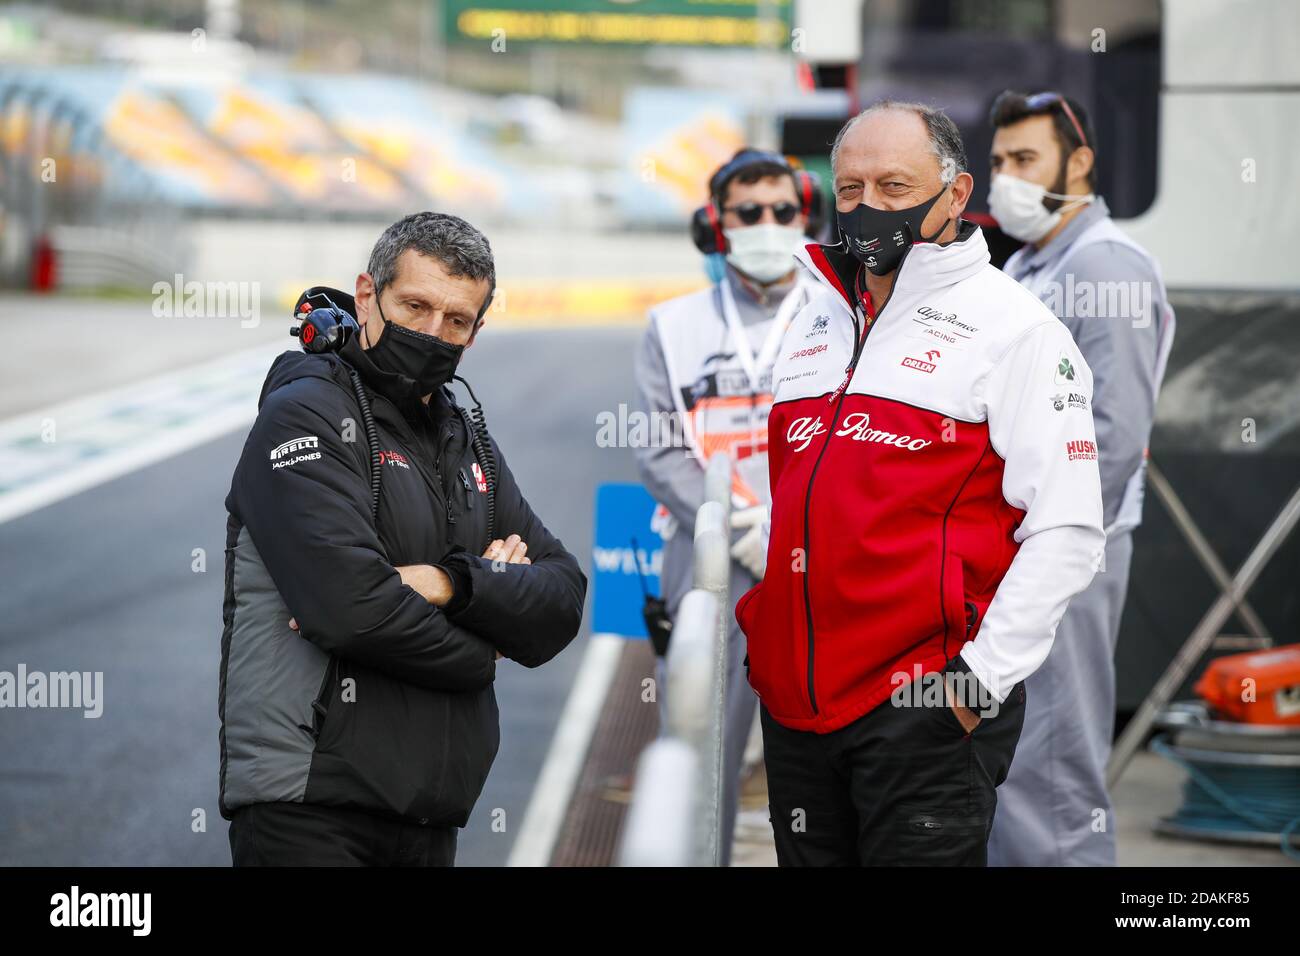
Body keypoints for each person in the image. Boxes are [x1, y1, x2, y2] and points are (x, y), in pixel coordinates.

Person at [735, 100, 1106, 866]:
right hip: (797, 712)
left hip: (924, 711)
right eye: (849, 189)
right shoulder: (813, 323)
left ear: (956, 194)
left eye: (895, 187)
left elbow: (1068, 533)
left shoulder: (1019, 331)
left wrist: (973, 690)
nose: (868, 207)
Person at [219, 211, 587, 866]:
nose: (432, 333)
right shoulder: (306, 412)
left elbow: (562, 594)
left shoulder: (462, 434)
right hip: (309, 805)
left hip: (429, 811)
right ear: (368, 295)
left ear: (476, 331)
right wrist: (486, 646)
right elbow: (351, 610)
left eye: (456, 321)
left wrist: (451, 582)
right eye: (415, 306)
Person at [985, 90, 1176, 866]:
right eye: (998, 163)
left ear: (1081, 162)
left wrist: (1040, 550)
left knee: (1054, 766)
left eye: (1025, 160)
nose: (1007, 180)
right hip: (1022, 549)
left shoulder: (1105, 265)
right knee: (1020, 759)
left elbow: (1113, 434)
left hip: (1064, 553)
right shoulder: (1034, 261)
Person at [633, 148, 824, 864]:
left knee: (821, 758)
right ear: (717, 225)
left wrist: (797, 525)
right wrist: (739, 524)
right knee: (705, 747)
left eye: (783, 211)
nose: (768, 225)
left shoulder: (838, 312)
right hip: (716, 556)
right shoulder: (672, 325)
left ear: (807, 216)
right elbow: (656, 449)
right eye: (750, 212)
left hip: (819, 553)